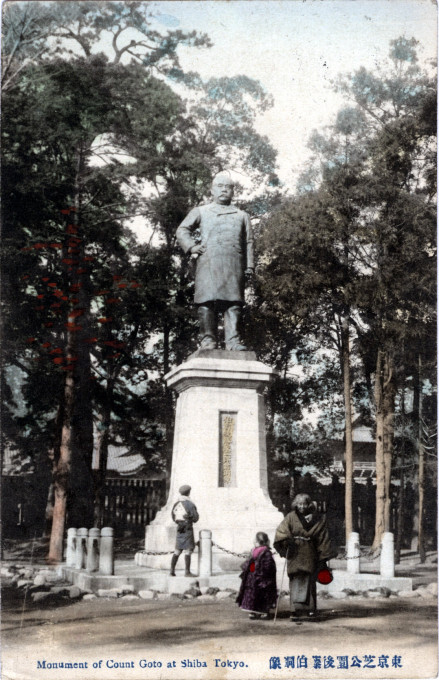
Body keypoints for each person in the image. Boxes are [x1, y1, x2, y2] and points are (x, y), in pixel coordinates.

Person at [176, 172, 254, 351]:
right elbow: (182, 230)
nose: (224, 190)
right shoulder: (201, 211)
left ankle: (233, 341)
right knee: (206, 303)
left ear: (233, 191)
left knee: (233, 303)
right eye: (220, 186)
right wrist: (192, 247)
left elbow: (249, 241)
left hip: (234, 264)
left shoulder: (242, 215)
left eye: (228, 187)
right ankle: (208, 340)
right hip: (208, 263)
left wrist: (249, 265)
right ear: (211, 190)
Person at [274, 494, 334, 621]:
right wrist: (286, 542)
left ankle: (310, 610)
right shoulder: (291, 517)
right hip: (294, 552)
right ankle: (295, 610)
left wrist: (323, 556)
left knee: (309, 579)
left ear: (309, 504)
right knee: (295, 579)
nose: (301, 507)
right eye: (299, 504)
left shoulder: (318, 519)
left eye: (304, 504)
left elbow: (323, 537)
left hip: (309, 553)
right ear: (296, 504)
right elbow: (281, 531)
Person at [236, 531, 277, 620]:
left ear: (257, 541)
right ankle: (263, 611)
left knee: (252, 594)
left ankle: (252, 611)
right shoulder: (266, 551)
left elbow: (251, 563)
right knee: (263, 594)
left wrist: (250, 572)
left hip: (252, 575)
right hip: (262, 576)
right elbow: (268, 565)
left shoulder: (253, 550)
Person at [170, 485, 199, 577]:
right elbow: (195, 518)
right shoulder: (190, 504)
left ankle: (172, 571)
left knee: (177, 550)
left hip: (179, 528)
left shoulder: (176, 504)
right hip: (187, 528)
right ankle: (187, 572)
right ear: (189, 492)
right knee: (188, 550)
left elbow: (173, 517)